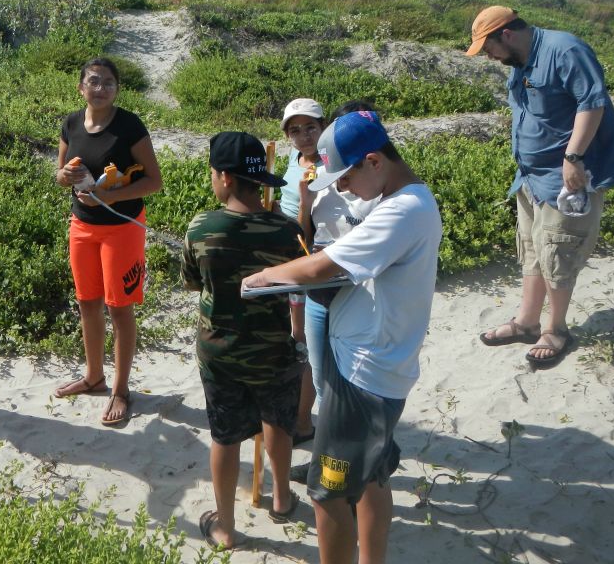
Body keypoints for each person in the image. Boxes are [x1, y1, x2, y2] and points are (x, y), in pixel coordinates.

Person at [243, 111, 442, 564]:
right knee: (372, 477)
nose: (341, 188)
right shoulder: (404, 198)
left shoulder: (401, 210)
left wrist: (260, 279)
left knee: (327, 495)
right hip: (378, 363)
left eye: (345, 177)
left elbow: (320, 265)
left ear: (373, 161)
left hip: (364, 375)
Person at [466, 7, 614, 369]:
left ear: (505, 34)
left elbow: (593, 102)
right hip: (531, 177)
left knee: (559, 252)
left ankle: (556, 330)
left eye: (488, 47)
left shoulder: (565, 50)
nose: (488, 56)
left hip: (565, 176)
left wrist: (573, 157)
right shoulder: (522, 60)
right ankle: (526, 322)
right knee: (533, 248)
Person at [181, 131, 307, 550]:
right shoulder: (285, 230)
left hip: (220, 352)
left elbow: (192, 280)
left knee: (225, 435)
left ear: (225, 178)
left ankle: (226, 528)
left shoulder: (202, 227)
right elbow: (298, 285)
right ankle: (283, 499)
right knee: (278, 422)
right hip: (274, 349)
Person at [54, 58, 163, 426]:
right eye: (94, 81)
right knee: (87, 303)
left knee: (119, 308)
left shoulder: (129, 126)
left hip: (123, 226)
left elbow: (154, 181)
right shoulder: (71, 123)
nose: (100, 88)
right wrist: (66, 175)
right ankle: (93, 377)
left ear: (117, 89)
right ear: (80, 87)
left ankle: (120, 389)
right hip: (82, 226)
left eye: (109, 83)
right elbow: (60, 175)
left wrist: (112, 197)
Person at [290, 99, 381, 483]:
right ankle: (328, 464)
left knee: (356, 380)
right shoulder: (323, 182)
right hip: (318, 294)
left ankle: (360, 460)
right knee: (321, 377)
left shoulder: (379, 191)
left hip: (356, 296)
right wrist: (307, 198)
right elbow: (305, 240)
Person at [277, 97, 326, 441]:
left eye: (311, 127)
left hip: (306, 258)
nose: (304, 136)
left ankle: (303, 422)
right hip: (287, 258)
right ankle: (297, 413)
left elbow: (308, 230)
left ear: (324, 127)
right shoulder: (294, 160)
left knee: (301, 342)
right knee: (295, 339)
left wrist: (306, 203)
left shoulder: (328, 166)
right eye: (296, 130)